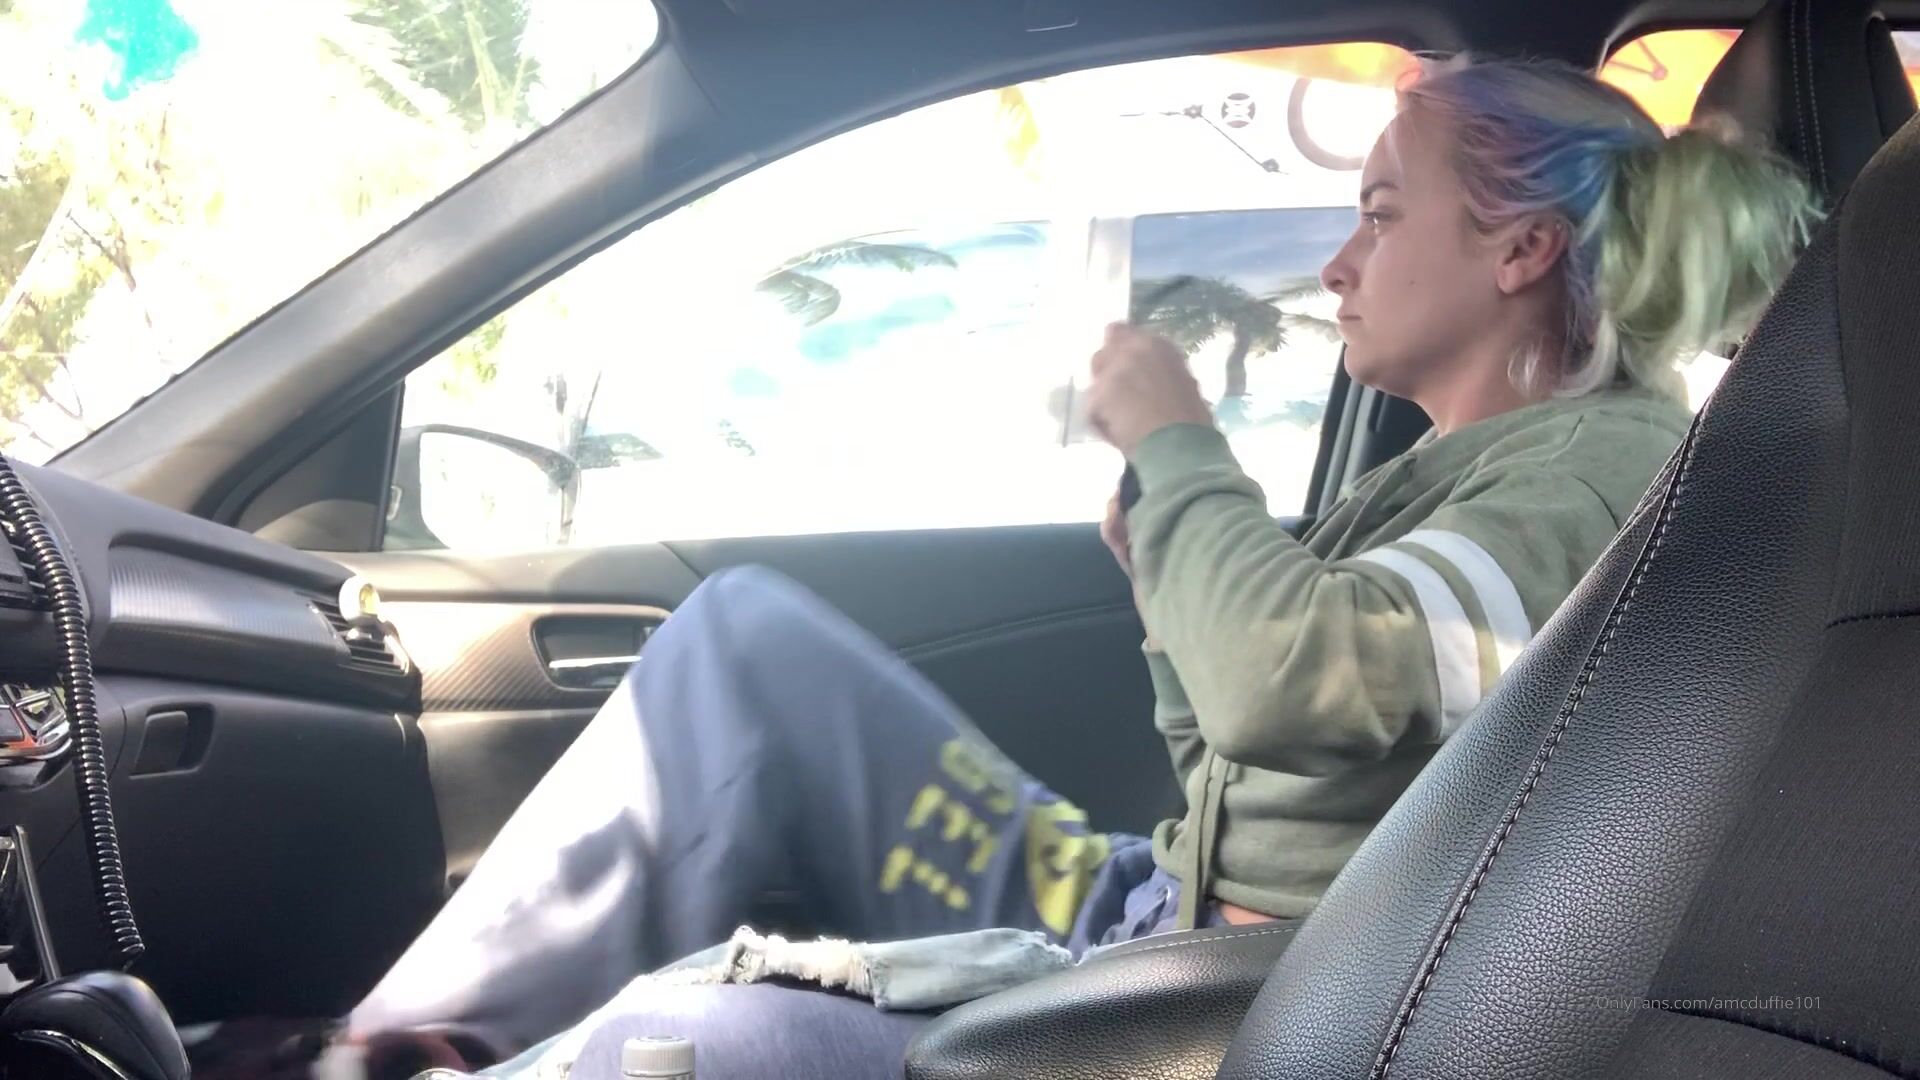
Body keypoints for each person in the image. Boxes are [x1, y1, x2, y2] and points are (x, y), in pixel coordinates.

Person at [339, 55, 1817, 1078]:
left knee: (679, 1042)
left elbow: (1294, 685)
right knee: (747, 646)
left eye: (1379, 214)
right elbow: (1245, 768)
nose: (1337, 264)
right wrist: (1168, 592)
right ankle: (370, 1053)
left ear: (1521, 252)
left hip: (1230, 998)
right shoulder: (1464, 466)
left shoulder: (1594, 473)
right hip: (1143, 907)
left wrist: (1180, 439)